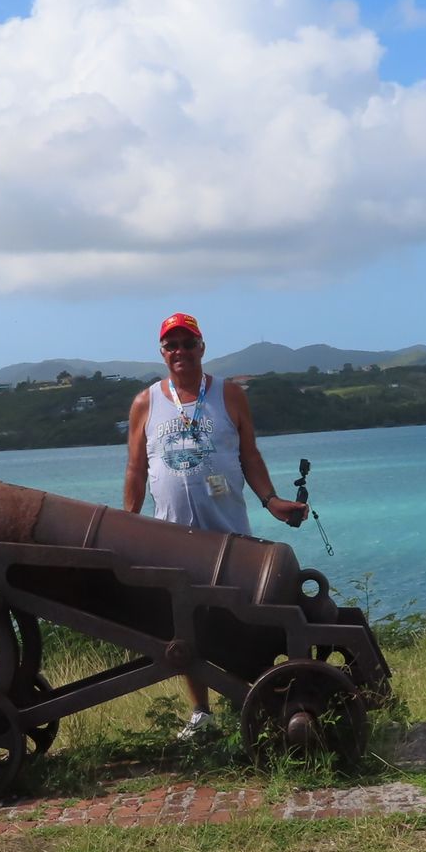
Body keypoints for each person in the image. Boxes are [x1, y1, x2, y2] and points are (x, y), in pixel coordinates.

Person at [123, 312, 308, 739]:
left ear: (202, 348)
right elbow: (135, 469)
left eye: (188, 343)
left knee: (239, 615)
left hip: (228, 530)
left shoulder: (229, 395)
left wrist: (271, 501)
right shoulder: (145, 403)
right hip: (171, 534)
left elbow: (250, 455)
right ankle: (202, 713)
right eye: (172, 345)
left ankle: (253, 701)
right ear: (162, 353)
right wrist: (127, 523)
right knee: (183, 624)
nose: (180, 352)